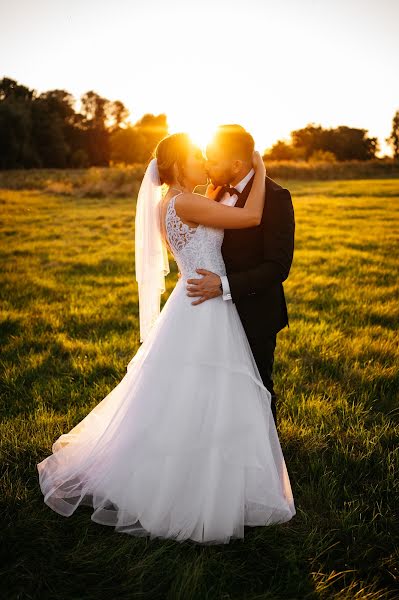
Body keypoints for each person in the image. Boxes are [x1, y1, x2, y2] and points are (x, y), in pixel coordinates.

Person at [37, 132, 296, 545]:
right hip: (206, 303)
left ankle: (208, 466)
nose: (205, 163)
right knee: (211, 390)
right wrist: (260, 167)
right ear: (177, 167)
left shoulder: (174, 202)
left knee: (188, 393)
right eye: (197, 157)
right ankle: (207, 481)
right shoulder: (187, 201)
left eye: (209, 158)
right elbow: (248, 219)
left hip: (194, 301)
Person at [185, 125, 295, 428]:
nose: (207, 166)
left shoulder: (275, 197)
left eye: (213, 160)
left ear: (236, 164)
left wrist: (223, 285)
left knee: (257, 386)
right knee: (219, 386)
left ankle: (269, 461)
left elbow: (278, 267)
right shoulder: (215, 192)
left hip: (255, 311)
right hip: (213, 312)